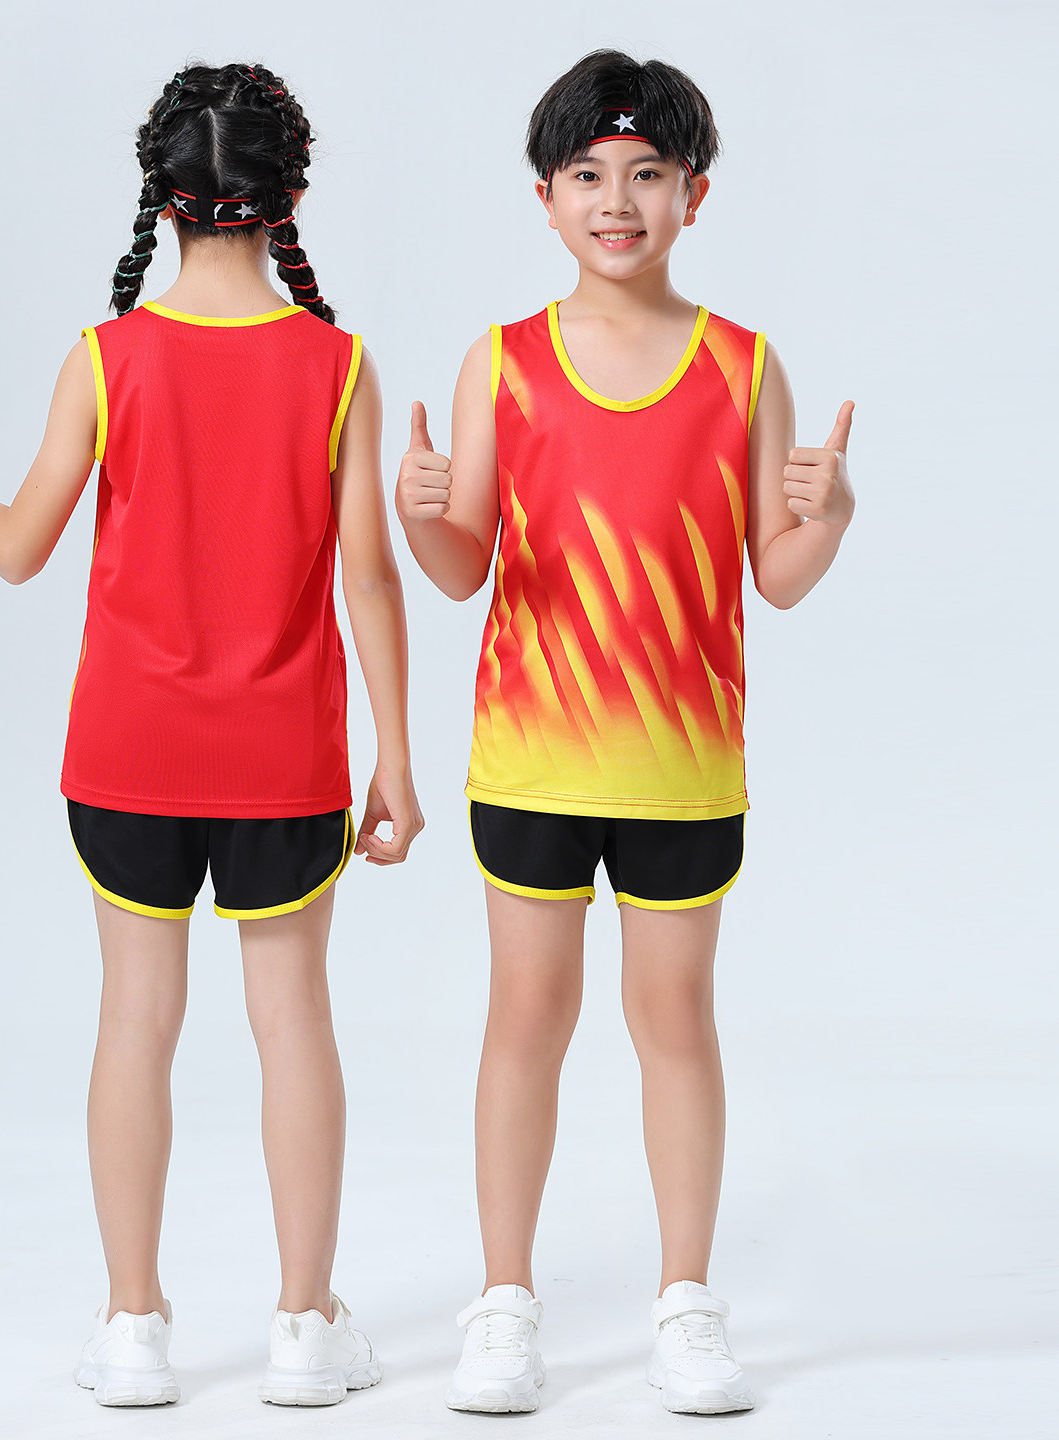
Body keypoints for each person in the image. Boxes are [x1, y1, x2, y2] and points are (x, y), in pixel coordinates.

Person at [0, 61, 423, 1410]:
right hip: (285, 763)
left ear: (161, 196)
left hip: (128, 757)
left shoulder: (105, 359)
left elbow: (17, 547)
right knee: (293, 1023)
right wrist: (398, 759)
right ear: (289, 195)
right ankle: (304, 1327)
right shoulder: (339, 366)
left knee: (134, 1021)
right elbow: (369, 579)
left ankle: (132, 1326)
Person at [396, 49, 854, 1417]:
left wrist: (831, 516)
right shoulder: (503, 361)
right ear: (544, 195)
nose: (617, 200)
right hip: (530, 759)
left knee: (675, 1022)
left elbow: (776, 575)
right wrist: (421, 514)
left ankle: (686, 1302)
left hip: (683, 768)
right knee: (525, 1018)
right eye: (588, 174)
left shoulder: (744, 365)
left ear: (693, 195)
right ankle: (505, 1302)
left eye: (647, 173)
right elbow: (464, 566)